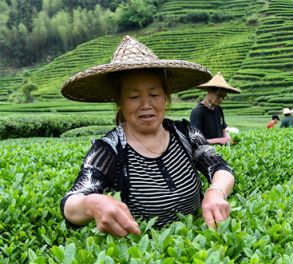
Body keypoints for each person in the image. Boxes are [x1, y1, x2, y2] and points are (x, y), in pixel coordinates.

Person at [60, 35, 235, 237]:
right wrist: (93, 203)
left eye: (154, 94)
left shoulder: (186, 133)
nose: (146, 105)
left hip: (199, 249)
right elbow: (72, 203)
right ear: (120, 102)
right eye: (133, 96)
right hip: (147, 257)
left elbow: (220, 167)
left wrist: (216, 192)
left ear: (165, 97)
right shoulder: (109, 149)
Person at [190, 72, 241, 145]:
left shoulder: (218, 109)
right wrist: (218, 140)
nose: (221, 99)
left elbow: (224, 130)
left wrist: (227, 138)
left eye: (223, 97)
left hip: (221, 150)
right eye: (218, 95)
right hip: (206, 153)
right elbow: (196, 140)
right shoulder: (197, 112)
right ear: (209, 91)